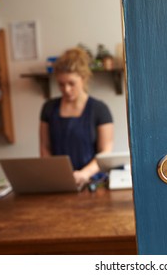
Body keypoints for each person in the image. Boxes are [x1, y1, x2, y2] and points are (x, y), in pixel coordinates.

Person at [39, 47, 114, 187]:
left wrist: (84, 174)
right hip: (59, 183)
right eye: (61, 84)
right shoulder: (48, 108)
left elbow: (105, 151)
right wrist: (59, 176)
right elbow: (45, 148)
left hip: (93, 183)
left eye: (71, 83)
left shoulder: (100, 109)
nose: (66, 89)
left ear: (84, 79)